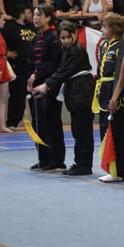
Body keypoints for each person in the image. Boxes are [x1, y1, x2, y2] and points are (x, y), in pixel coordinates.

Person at [32, 20, 95, 176]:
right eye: (63, 38)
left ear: (75, 35)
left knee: (82, 131)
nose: (66, 40)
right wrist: (46, 86)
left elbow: (64, 71)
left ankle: (84, 165)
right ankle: (80, 162)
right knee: (77, 130)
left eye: (69, 37)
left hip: (82, 90)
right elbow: (61, 70)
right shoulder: (67, 49)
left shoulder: (77, 51)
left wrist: (46, 85)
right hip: (74, 91)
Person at [27, 4, 66, 171]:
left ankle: (56, 159)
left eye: (39, 15)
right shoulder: (37, 37)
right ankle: (43, 157)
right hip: (36, 85)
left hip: (50, 85)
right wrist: (30, 80)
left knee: (51, 123)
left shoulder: (54, 38)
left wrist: (37, 75)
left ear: (48, 18)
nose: (35, 18)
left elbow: (54, 63)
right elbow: (33, 61)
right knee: (38, 123)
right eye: (34, 14)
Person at [95, 13, 124, 182]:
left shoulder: (120, 48)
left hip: (114, 92)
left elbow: (121, 76)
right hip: (104, 90)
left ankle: (120, 170)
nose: (102, 30)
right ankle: (111, 168)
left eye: (105, 27)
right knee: (105, 130)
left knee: (116, 132)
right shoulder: (107, 46)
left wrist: (115, 97)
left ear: (115, 29)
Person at [3, 7, 36, 128]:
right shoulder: (10, 28)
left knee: (35, 95)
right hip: (17, 67)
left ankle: (37, 122)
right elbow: (0, 43)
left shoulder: (33, 27)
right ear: (22, 15)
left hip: (32, 67)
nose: (31, 16)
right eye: (28, 13)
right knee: (17, 95)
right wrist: (6, 53)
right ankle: (12, 122)